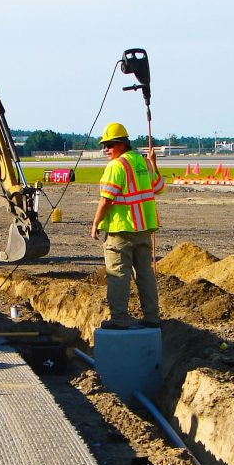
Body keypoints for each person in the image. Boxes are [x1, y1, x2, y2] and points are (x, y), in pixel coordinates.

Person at [90, 122, 165, 330]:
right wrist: (154, 164)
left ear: (122, 144)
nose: (106, 149)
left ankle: (119, 319)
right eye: (104, 145)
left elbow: (106, 199)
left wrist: (95, 223)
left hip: (121, 230)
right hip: (143, 230)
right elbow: (158, 187)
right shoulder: (143, 163)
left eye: (110, 145)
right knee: (145, 274)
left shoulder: (116, 166)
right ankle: (151, 317)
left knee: (118, 275)